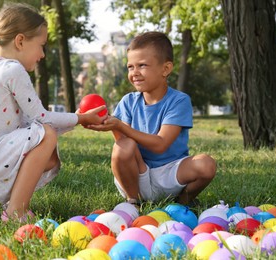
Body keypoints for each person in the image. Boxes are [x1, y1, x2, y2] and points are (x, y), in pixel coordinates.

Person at [0, 3, 106, 221]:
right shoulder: (13, 70)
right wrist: (81, 118)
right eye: (41, 45)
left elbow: (29, 125)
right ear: (20, 41)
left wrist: (77, 119)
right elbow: (42, 120)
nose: (42, 54)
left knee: (49, 157)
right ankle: (16, 211)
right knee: (47, 135)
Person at [87, 31, 216, 206]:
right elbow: (123, 144)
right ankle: (133, 201)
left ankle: (183, 200)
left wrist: (119, 125)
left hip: (171, 173)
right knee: (123, 146)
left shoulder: (179, 100)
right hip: (136, 175)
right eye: (130, 67)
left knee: (206, 164)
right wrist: (109, 125)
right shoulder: (128, 101)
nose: (135, 72)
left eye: (142, 65)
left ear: (166, 69)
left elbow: (161, 144)